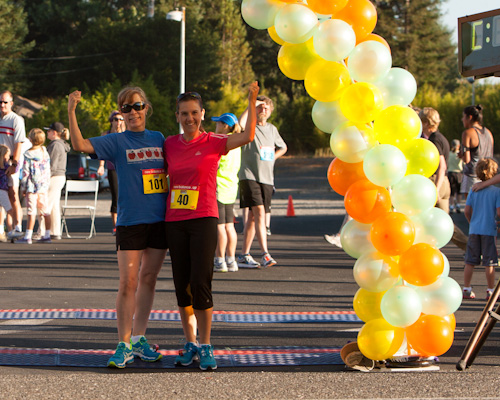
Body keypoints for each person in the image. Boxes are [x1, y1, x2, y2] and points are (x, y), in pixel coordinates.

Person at [68, 87, 168, 368]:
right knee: (128, 282)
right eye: (126, 108)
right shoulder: (116, 141)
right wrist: (71, 110)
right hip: (130, 221)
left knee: (148, 280)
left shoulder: (159, 139)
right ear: (121, 113)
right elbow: (79, 145)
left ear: (146, 107)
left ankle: (139, 339)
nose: (132, 112)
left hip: (158, 220)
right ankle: (123, 344)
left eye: (136, 106)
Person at [164, 82, 259, 371]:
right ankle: (190, 342)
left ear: (202, 114)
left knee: (201, 283)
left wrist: (252, 100)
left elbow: (249, 135)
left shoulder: (214, 142)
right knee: (182, 287)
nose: (189, 118)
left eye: (194, 113)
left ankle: (205, 344)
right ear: (178, 116)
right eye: (183, 114)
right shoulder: (168, 144)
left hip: (204, 218)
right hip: (175, 221)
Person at [237, 94, 287, 268]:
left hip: (267, 178)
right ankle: (265, 253)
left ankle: (244, 254)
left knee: (252, 217)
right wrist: (251, 104)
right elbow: (239, 125)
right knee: (259, 212)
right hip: (249, 175)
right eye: (260, 107)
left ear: (271, 111)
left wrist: (274, 157)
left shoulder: (272, 129)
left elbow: (283, 146)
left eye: (266, 107)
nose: (263, 110)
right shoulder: (249, 126)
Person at [462, 158, 500, 301]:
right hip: (489, 230)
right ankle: (490, 290)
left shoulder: (474, 189)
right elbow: (499, 211)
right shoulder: (496, 192)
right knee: (489, 262)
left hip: (474, 229)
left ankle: (466, 288)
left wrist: (472, 222)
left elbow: (466, 210)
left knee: (470, 261)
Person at [212, 112, 241, 273]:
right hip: (231, 188)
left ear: (224, 126)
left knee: (220, 227)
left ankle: (220, 259)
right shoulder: (237, 142)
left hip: (219, 188)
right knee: (230, 226)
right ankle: (231, 259)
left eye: (218, 123)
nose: (216, 126)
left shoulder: (223, 142)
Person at [17, 128, 52, 244]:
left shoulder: (27, 154)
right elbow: (47, 170)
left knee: (31, 211)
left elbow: (25, 173)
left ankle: (28, 235)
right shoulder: (44, 152)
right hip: (43, 186)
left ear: (30, 139)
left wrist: (23, 187)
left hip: (31, 187)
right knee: (45, 210)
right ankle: (47, 234)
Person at [0, 90, 26, 240]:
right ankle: (4, 228)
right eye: (0, 102)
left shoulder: (16, 120)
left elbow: (19, 144)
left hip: (10, 161)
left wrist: (14, 164)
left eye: (5, 102)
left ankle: (18, 227)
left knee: (13, 195)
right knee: (1, 196)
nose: (2, 105)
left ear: (11, 103)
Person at [97, 111, 125, 236]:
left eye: (120, 119)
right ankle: (115, 226)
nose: (118, 122)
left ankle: (125, 223)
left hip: (125, 168)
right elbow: (102, 152)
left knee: (127, 196)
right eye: (115, 119)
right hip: (112, 168)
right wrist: (101, 166)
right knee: (116, 196)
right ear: (111, 121)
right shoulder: (106, 135)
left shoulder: (126, 134)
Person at [459, 104, 494, 200]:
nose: (462, 120)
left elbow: (467, 159)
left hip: (472, 176)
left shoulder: (467, 133)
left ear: (469, 117)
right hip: (488, 176)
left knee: (471, 210)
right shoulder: (488, 133)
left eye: (463, 117)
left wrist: (461, 155)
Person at [43, 122, 70, 240]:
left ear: (54, 133)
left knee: (45, 205)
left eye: (48, 131)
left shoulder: (55, 145)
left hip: (54, 176)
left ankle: (44, 231)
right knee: (54, 205)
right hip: (60, 176)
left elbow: (51, 164)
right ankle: (55, 231)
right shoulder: (61, 144)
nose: (47, 133)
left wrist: (45, 178)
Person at [0, 145, 12, 242]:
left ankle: (0, 231)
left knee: (1, 211)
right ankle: (11, 230)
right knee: (10, 210)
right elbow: (13, 171)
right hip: (2, 190)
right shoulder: (5, 166)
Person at [448, 139, 463, 213]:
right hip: (458, 173)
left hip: (450, 172)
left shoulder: (449, 154)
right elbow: (464, 164)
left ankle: (451, 205)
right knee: (459, 191)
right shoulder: (459, 154)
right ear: (458, 146)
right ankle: (458, 205)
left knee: (452, 191)